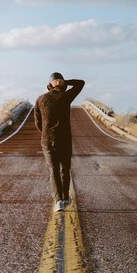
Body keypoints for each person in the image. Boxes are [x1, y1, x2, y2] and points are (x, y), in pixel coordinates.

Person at [34, 72, 85, 212]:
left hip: (47, 140)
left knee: (53, 170)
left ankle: (58, 202)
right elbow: (81, 83)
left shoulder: (40, 99)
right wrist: (66, 82)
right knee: (64, 169)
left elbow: (38, 123)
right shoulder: (66, 97)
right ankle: (65, 197)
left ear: (49, 85)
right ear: (60, 84)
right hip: (64, 139)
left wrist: (46, 133)